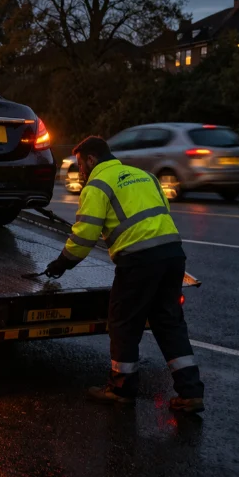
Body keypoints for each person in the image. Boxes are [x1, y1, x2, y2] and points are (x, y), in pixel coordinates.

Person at [44, 136, 205, 413]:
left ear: (91, 159)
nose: (80, 172)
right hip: (173, 255)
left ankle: (120, 390)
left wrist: (62, 263)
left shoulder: (98, 184)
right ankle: (190, 393)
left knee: (123, 323)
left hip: (138, 261)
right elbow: (160, 213)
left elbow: (85, 235)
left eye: (81, 165)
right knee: (170, 323)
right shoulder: (144, 176)